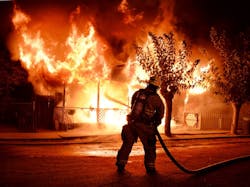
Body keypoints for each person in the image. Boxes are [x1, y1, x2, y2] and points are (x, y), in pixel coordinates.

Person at [116, 76, 165, 174]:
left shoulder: (137, 93)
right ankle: (150, 168)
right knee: (150, 147)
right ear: (157, 87)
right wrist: (155, 123)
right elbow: (160, 114)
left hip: (132, 123)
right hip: (145, 126)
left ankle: (120, 164)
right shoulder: (156, 99)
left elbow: (132, 106)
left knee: (127, 144)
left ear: (148, 84)